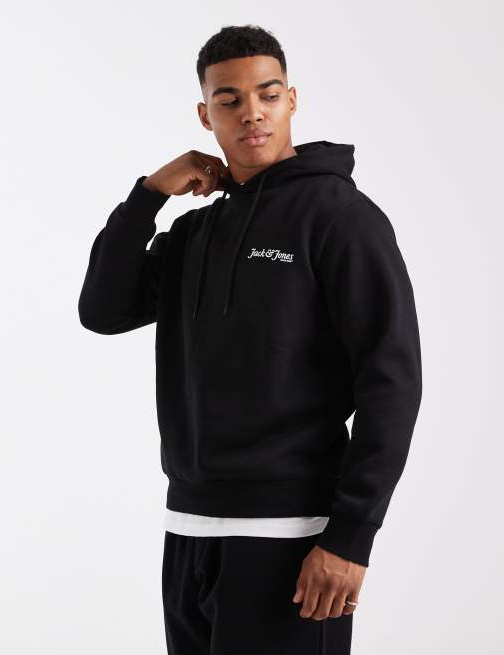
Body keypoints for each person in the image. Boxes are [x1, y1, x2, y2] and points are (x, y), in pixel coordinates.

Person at [78, 24, 422, 655]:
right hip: (189, 530)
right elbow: (102, 309)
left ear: (292, 100)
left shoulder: (341, 219)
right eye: (229, 99)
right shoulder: (194, 235)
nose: (252, 112)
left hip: (293, 538)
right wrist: (148, 195)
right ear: (205, 115)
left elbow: (391, 383)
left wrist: (351, 538)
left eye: (267, 94)